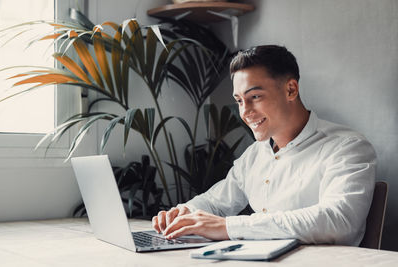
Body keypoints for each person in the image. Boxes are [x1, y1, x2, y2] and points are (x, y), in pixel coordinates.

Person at [152, 45, 376, 245]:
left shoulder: (347, 146)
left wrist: (228, 227)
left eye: (255, 96)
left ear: (291, 89)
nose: (245, 112)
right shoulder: (254, 155)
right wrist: (183, 213)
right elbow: (215, 202)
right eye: (239, 100)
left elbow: (339, 221)